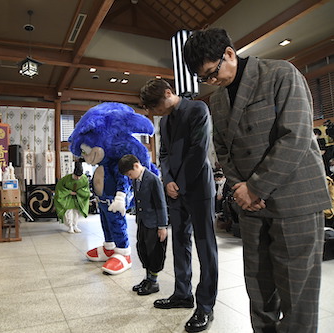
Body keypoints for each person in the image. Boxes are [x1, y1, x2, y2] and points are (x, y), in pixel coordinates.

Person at [183, 27, 330, 333]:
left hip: (294, 199)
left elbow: (295, 137)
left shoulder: (279, 74)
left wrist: (255, 187)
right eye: (204, 79)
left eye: (212, 73)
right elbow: (223, 149)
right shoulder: (220, 99)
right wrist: (241, 189)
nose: (211, 82)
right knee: (259, 289)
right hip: (251, 205)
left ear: (228, 54)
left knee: (297, 291)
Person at [140, 78, 218, 332]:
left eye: (156, 106)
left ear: (168, 92)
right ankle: (182, 294)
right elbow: (162, 154)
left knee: (206, 249)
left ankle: (206, 306)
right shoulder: (164, 121)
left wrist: (179, 184)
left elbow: (199, 150)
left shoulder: (197, 110)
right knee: (180, 243)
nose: (155, 112)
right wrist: (168, 181)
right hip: (175, 191)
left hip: (198, 189)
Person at [118, 154, 168, 296]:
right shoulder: (136, 180)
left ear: (136, 166)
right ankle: (147, 279)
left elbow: (161, 204)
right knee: (143, 249)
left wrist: (162, 226)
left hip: (153, 223)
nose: (129, 177)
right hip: (142, 222)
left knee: (154, 252)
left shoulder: (153, 179)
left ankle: (154, 281)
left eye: (129, 174)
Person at [54, 159, 90, 233]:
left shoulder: (84, 179)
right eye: (76, 176)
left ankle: (75, 225)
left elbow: (86, 188)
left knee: (76, 212)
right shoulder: (66, 178)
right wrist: (69, 192)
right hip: (67, 197)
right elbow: (59, 188)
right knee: (68, 212)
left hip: (78, 198)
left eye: (79, 176)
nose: (78, 178)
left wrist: (79, 192)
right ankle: (70, 226)